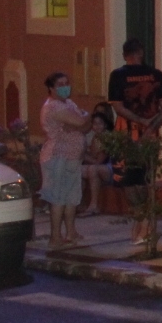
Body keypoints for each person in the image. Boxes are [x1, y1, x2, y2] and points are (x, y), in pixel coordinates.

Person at [39, 72, 90, 248]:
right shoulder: (53, 107)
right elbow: (80, 122)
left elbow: (84, 126)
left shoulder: (68, 103)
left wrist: (85, 118)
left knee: (71, 197)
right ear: (51, 88)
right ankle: (55, 237)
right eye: (60, 84)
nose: (65, 87)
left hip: (72, 158)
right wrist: (83, 119)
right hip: (57, 158)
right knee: (58, 198)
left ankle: (71, 232)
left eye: (67, 83)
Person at [107, 39, 162, 143]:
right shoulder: (157, 75)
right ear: (141, 53)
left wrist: (142, 121)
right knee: (148, 153)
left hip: (124, 133)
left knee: (125, 154)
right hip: (151, 134)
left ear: (124, 55)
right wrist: (150, 128)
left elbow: (118, 107)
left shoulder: (117, 75)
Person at [81, 105, 115, 222]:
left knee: (93, 169)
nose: (97, 126)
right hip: (99, 167)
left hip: (111, 169)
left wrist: (83, 155)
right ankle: (79, 203)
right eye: (95, 124)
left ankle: (94, 205)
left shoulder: (107, 137)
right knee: (77, 169)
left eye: (100, 123)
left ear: (105, 125)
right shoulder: (95, 137)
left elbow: (98, 161)